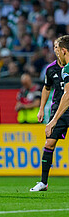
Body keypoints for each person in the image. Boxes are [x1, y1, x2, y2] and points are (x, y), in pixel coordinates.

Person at [30, 39, 68, 192]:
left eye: (57, 47)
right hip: (59, 109)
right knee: (49, 144)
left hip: (63, 107)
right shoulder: (51, 69)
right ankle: (43, 182)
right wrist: (41, 109)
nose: (55, 50)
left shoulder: (67, 69)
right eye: (53, 47)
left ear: (64, 49)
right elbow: (46, 88)